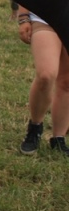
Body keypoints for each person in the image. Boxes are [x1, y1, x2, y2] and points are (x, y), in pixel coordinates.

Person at [17, 9, 69, 156]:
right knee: (46, 75)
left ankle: (59, 138)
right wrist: (23, 17)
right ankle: (35, 127)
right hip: (45, 17)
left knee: (66, 82)